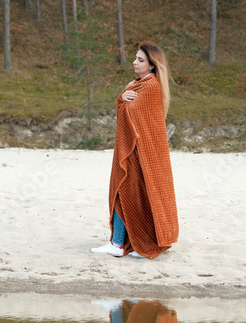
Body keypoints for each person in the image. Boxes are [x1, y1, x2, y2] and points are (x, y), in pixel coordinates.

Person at [91, 43, 179, 259]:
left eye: (140, 59)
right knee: (130, 194)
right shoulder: (141, 84)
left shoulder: (149, 87)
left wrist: (122, 98)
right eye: (136, 58)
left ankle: (121, 243)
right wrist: (122, 97)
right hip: (136, 151)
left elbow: (133, 114)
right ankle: (121, 242)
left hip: (138, 152)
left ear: (152, 64)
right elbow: (127, 106)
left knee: (126, 193)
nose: (135, 62)